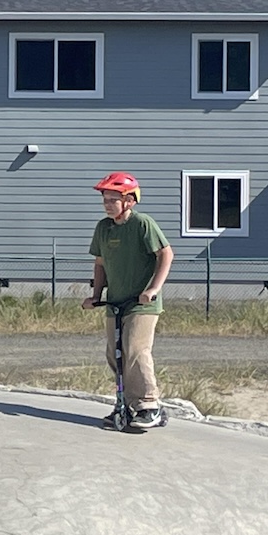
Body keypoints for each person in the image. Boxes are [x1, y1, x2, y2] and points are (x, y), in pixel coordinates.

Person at [80, 171, 174, 430]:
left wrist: (153, 288)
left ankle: (150, 405)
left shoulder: (143, 224)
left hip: (142, 302)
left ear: (130, 201)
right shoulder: (103, 228)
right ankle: (128, 404)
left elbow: (166, 254)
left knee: (134, 350)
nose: (108, 204)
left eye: (113, 199)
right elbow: (99, 264)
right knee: (115, 354)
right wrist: (96, 296)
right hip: (115, 301)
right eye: (105, 199)